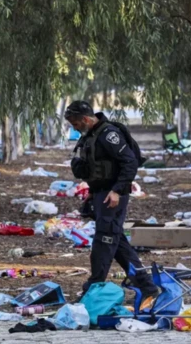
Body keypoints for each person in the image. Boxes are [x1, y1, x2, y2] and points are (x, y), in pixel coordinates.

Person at [64, 100, 159, 300]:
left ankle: (94, 286)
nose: (75, 128)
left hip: (113, 196)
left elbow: (129, 162)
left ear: (86, 119)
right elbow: (96, 167)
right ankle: (147, 286)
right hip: (101, 194)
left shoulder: (109, 134)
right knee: (117, 242)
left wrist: (117, 191)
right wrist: (92, 190)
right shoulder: (90, 135)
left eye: (76, 123)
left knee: (103, 242)